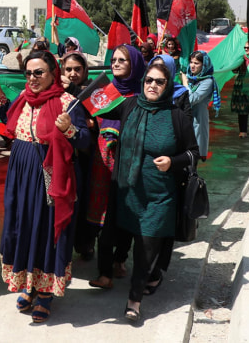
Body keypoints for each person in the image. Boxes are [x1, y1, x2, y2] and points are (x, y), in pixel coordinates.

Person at [0, 50, 90, 322]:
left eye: (39, 72)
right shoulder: (23, 98)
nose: (32, 78)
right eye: (29, 72)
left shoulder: (68, 103)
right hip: (21, 173)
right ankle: (29, 285)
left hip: (49, 176)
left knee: (46, 230)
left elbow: (85, 142)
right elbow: (9, 121)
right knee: (23, 226)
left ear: (53, 73)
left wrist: (69, 129)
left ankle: (45, 293)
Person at [94, 62, 199, 323]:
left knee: (146, 248)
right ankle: (123, 275)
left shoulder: (177, 117)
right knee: (115, 238)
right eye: (149, 80)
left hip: (159, 196)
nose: (152, 85)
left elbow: (194, 153)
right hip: (127, 193)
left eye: (159, 82)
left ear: (169, 86)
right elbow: (95, 98)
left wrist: (172, 162)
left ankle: (134, 300)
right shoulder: (129, 106)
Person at [88, 44, 146, 288]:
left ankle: (120, 259)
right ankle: (104, 271)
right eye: (114, 60)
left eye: (123, 60)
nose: (116, 63)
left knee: (125, 213)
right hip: (101, 163)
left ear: (135, 64)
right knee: (104, 215)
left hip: (129, 163)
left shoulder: (142, 97)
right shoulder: (102, 92)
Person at [60, 52, 99, 261]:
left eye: (77, 69)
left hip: (91, 157)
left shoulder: (97, 89)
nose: (73, 73)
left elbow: (104, 113)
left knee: (87, 202)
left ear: (85, 70)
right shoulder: (56, 91)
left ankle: (86, 243)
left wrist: (93, 123)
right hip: (67, 159)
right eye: (68, 69)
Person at [184, 51, 220, 162]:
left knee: (193, 155)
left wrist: (185, 85)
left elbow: (192, 99)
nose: (192, 66)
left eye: (196, 63)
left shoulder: (207, 81)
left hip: (197, 120)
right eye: (191, 62)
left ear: (204, 65)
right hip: (186, 119)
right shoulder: (191, 78)